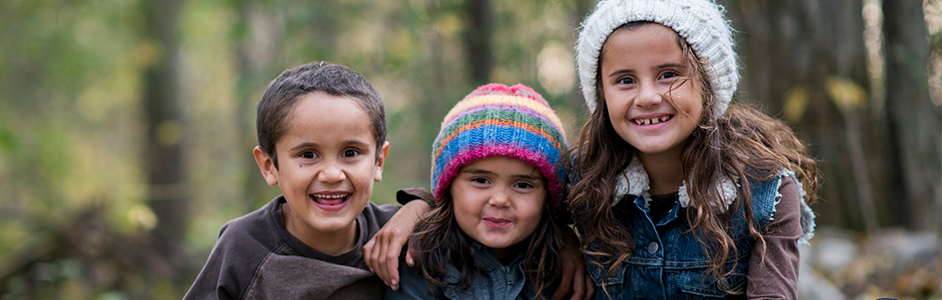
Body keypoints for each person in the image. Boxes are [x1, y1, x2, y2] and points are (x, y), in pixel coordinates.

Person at [567, 0, 820, 299]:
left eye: (668, 74)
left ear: (708, 84)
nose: (647, 96)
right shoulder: (580, 181)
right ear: (602, 94)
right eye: (625, 80)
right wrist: (560, 239)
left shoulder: (766, 194)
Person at [183, 61, 429, 300]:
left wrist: (423, 208)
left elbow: (463, 211)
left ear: (378, 161)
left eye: (350, 153)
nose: (332, 175)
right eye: (308, 155)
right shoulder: (244, 246)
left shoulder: (396, 235)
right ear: (269, 166)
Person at [383, 83, 574, 300]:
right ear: (449, 187)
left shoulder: (565, 272)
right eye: (481, 180)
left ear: (548, 198)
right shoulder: (420, 262)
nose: (500, 200)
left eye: (523, 185)